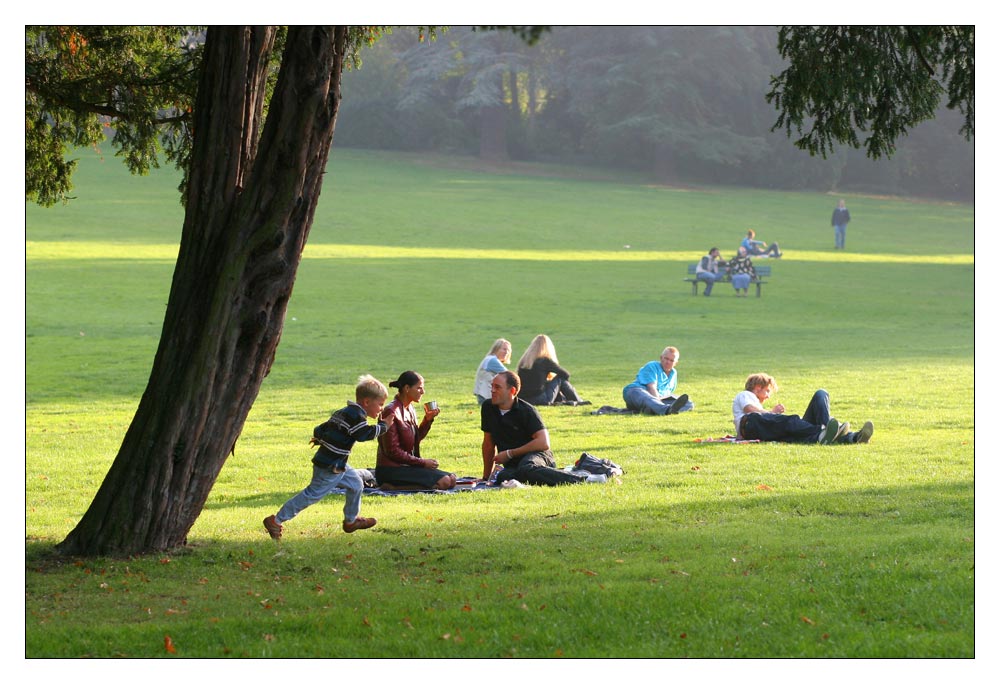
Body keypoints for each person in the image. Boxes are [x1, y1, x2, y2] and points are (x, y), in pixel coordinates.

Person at [263, 374, 394, 540]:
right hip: (329, 466)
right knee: (312, 495)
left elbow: (320, 429)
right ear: (367, 402)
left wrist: (322, 439)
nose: (381, 409)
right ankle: (276, 520)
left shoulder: (344, 412)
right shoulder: (356, 417)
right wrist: (384, 426)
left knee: (356, 484)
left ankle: (350, 521)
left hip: (338, 464)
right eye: (380, 405)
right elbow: (363, 434)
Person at [481, 371, 588, 486]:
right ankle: (550, 476)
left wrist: (510, 453)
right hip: (515, 464)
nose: (492, 390)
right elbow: (488, 443)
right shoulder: (488, 407)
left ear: (512, 391)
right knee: (502, 476)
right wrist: (486, 477)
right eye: (492, 386)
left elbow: (543, 443)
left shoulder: (527, 411)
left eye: (497, 387)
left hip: (538, 456)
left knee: (526, 468)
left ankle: (584, 479)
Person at [732, 373, 874, 444]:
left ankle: (851, 437)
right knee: (790, 421)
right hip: (750, 427)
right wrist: (772, 412)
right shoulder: (745, 395)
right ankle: (827, 432)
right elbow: (749, 409)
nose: (768, 396)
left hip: (762, 426)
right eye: (767, 391)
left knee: (821, 394)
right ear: (757, 388)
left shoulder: (760, 411)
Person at [376, 370, 456, 490]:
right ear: (407, 388)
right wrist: (422, 462)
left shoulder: (410, 409)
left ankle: (406, 486)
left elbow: (414, 439)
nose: (423, 392)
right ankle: (392, 487)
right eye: (419, 388)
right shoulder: (391, 411)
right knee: (444, 482)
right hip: (391, 470)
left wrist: (427, 420)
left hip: (408, 466)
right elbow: (392, 451)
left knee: (452, 479)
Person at [516, 334, 588, 406]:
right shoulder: (545, 361)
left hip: (524, 399)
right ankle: (578, 400)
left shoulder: (524, 362)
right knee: (560, 379)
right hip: (541, 399)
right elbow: (565, 374)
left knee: (549, 382)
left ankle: (563, 399)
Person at [622, 346, 691, 415]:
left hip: (658, 399)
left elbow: (667, 394)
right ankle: (665, 410)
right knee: (642, 394)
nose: (668, 362)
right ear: (661, 358)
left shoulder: (674, 373)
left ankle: (655, 409)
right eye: (666, 358)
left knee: (688, 404)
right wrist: (658, 402)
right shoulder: (652, 366)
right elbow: (651, 388)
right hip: (637, 393)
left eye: (671, 360)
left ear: (676, 363)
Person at [474, 338, 512, 405]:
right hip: (486, 398)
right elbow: (509, 376)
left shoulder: (490, 359)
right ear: (496, 349)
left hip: (485, 396)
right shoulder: (492, 360)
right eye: (504, 349)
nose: (507, 352)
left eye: (508, 350)